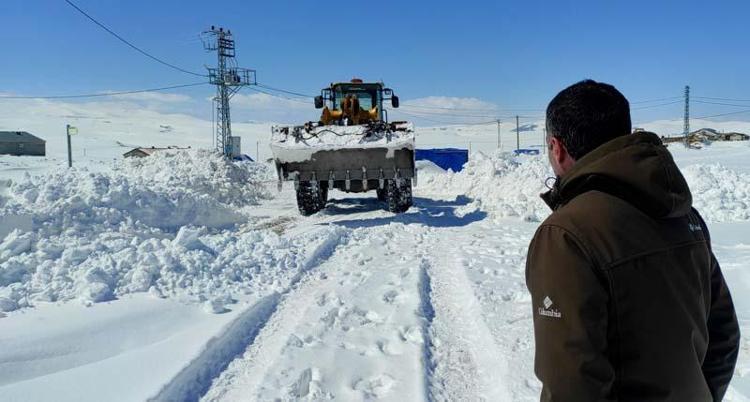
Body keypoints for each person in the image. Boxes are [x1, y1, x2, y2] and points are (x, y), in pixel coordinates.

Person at [526, 79, 740, 401]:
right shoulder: (684, 214)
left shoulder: (567, 234)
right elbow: (724, 334)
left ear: (557, 147)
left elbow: (573, 384)